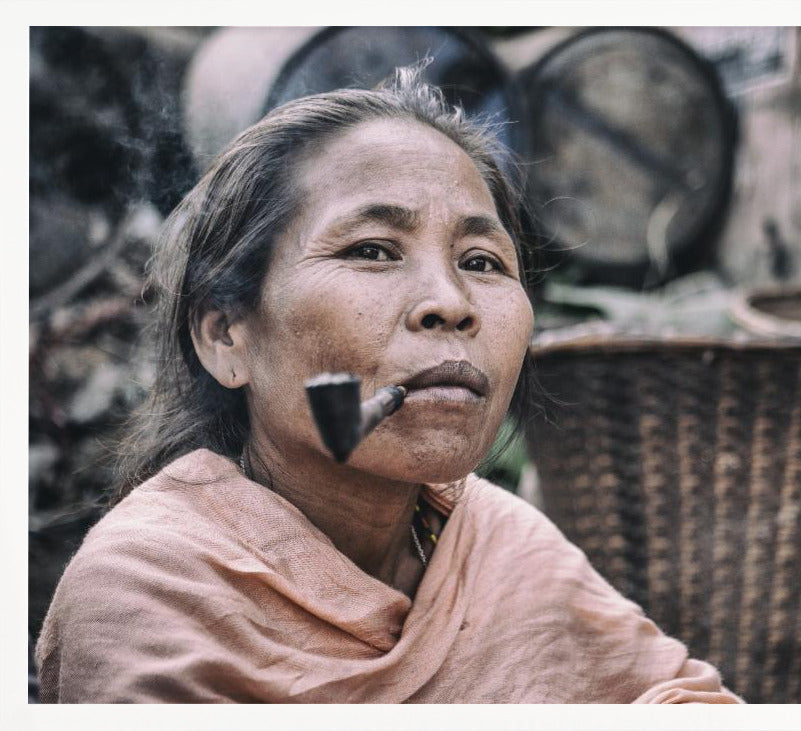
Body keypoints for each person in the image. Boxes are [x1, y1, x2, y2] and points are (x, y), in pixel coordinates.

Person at [35, 67, 741, 704]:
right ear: (227, 336)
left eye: (483, 260)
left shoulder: (497, 541)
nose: (452, 301)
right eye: (371, 250)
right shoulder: (150, 591)